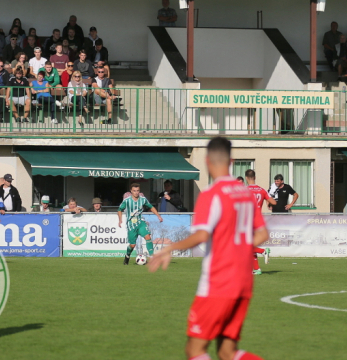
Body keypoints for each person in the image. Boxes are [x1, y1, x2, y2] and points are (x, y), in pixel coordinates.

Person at [148, 137, 268, 360]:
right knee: (227, 352)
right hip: (243, 281)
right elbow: (262, 234)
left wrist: (169, 248)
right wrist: (239, 246)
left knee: (195, 350)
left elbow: (202, 235)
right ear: (231, 161)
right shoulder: (245, 194)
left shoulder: (212, 194)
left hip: (218, 283)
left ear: (207, 161)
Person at [118, 183, 163, 264]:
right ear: (131, 191)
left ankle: (152, 258)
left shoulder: (143, 199)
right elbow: (119, 209)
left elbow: (151, 207)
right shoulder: (127, 201)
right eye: (134, 191)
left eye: (137, 191)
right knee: (132, 245)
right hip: (131, 224)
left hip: (140, 222)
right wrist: (120, 220)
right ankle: (127, 256)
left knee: (148, 237)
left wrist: (158, 216)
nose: (136, 192)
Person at [245, 169, 276, 274]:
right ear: (255, 177)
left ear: (246, 178)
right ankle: (257, 269)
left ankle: (263, 251)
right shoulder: (262, 190)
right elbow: (273, 202)